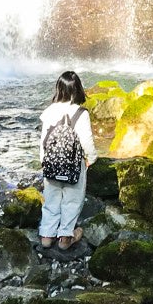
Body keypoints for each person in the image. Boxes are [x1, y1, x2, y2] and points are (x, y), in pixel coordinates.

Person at [38, 71, 97, 250]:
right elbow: (86, 141)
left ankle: (47, 236)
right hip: (73, 167)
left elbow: (44, 142)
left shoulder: (49, 111)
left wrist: (44, 163)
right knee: (72, 200)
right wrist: (91, 159)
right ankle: (65, 238)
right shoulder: (80, 113)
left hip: (51, 165)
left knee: (51, 201)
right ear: (78, 89)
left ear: (59, 89)